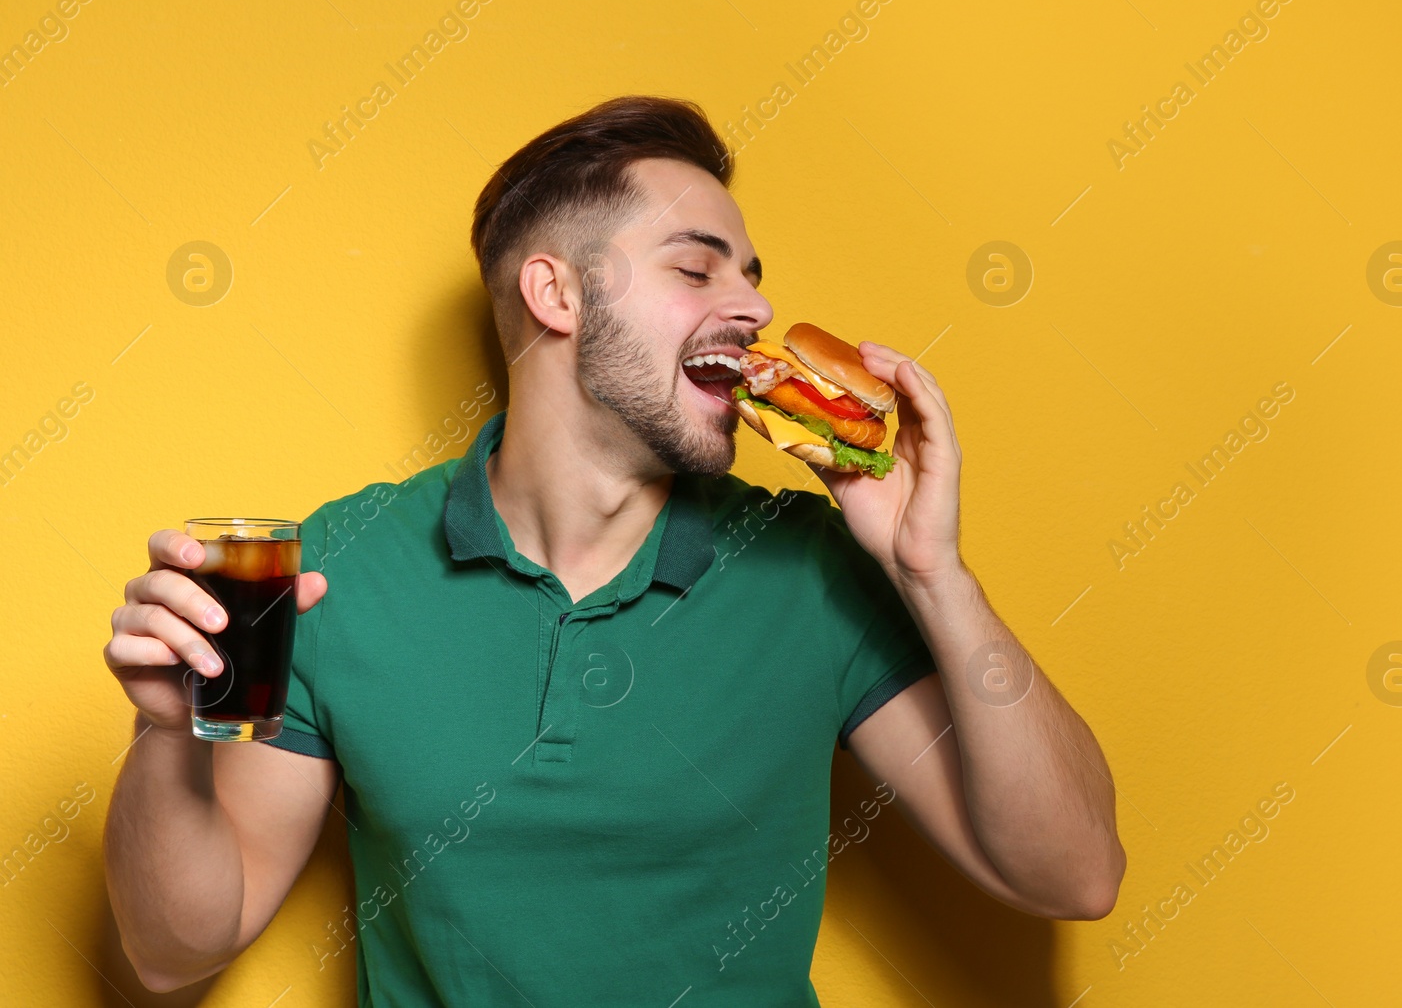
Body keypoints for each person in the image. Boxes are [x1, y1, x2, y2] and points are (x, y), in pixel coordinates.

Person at [102, 96, 1125, 1006]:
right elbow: (172, 952)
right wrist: (164, 736)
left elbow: (1073, 876)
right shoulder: (340, 567)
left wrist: (930, 573)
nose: (756, 306)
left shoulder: (808, 563)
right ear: (557, 295)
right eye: (696, 265)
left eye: (753, 274)